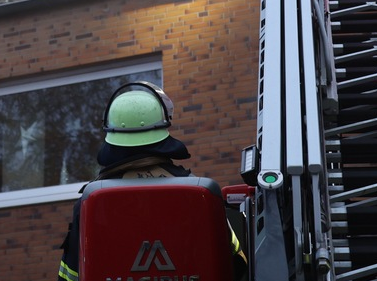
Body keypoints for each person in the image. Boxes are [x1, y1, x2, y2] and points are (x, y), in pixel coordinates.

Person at [57, 82, 248, 281]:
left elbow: (70, 276)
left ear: (110, 133)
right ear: (163, 127)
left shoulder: (91, 202)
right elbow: (237, 263)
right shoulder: (201, 194)